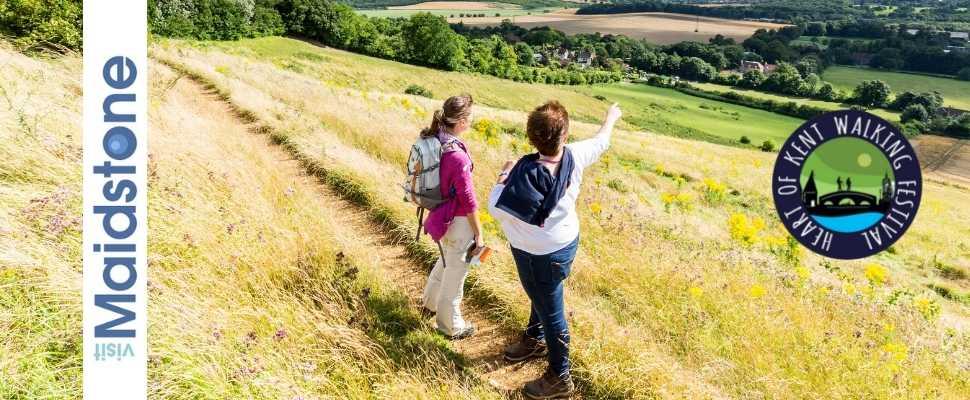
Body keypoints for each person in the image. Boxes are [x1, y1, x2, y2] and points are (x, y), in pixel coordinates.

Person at [488, 101, 622, 399]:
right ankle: (535, 339)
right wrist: (611, 116)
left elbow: (495, 209)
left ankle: (560, 377)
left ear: (531, 137)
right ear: (565, 135)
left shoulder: (522, 174)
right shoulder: (574, 155)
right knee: (542, 294)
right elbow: (601, 142)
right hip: (563, 245)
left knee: (551, 308)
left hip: (535, 253)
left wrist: (502, 176)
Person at [421, 94, 485, 340]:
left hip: (440, 215)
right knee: (456, 273)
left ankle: (429, 304)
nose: (471, 122)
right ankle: (451, 326)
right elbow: (468, 200)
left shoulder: (435, 141)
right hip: (458, 221)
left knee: (446, 262)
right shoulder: (457, 156)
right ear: (461, 121)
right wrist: (479, 233)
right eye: (470, 118)